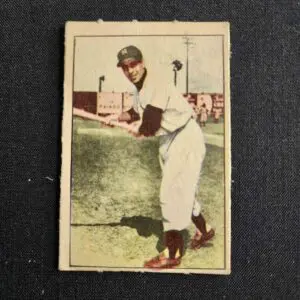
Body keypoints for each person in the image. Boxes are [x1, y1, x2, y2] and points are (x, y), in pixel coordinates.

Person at [109, 45, 215, 269]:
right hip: (170, 139)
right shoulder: (139, 88)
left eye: (134, 64)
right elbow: (138, 112)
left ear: (142, 62)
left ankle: (172, 254)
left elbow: (151, 123)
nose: (130, 70)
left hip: (185, 137)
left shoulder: (155, 82)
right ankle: (205, 231)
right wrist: (117, 116)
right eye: (125, 67)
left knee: (171, 193)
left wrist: (139, 130)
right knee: (183, 192)